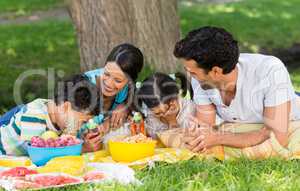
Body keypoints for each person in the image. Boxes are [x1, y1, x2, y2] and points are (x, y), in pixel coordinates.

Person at [173, 26, 300, 156]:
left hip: (290, 119)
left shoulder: (270, 70)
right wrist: (197, 136)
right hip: (246, 126)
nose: (189, 76)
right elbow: (205, 127)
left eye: (192, 72)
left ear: (216, 71)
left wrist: (218, 137)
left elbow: (277, 137)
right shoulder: (200, 78)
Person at [0, 74, 100, 155]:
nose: (81, 126)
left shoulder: (61, 116)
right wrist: (82, 149)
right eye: (82, 122)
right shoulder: (35, 114)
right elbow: (39, 156)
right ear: (65, 107)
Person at [84, 43, 144, 137]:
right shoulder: (85, 85)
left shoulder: (127, 91)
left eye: (118, 80)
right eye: (106, 74)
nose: (108, 83)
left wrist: (126, 106)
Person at [137, 72, 195, 139]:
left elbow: (184, 140)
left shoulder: (189, 109)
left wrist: (172, 122)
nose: (164, 115)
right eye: (158, 113)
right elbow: (154, 137)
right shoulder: (152, 113)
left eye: (166, 109)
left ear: (174, 99)